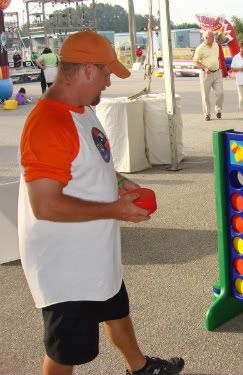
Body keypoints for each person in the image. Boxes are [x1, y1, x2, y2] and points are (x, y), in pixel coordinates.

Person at [18, 30, 185, 375]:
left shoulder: (81, 109)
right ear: (88, 70)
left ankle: (140, 368)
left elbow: (93, 162)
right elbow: (44, 205)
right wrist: (115, 209)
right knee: (65, 352)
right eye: (108, 73)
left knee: (115, 309)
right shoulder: (49, 122)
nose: (109, 82)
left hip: (92, 253)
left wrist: (120, 182)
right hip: (67, 267)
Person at [193, 30, 224, 121]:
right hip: (206, 74)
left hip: (217, 73)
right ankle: (207, 113)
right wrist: (205, 68)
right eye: (212, 38)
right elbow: (195, 61)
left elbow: (217, 57)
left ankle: (218, 110)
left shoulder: (216, 45)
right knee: (206, 95)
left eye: (214, 37)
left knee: (220, 93)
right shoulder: (200, 48)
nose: (214, 39)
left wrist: (220, 67)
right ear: (206, 38)